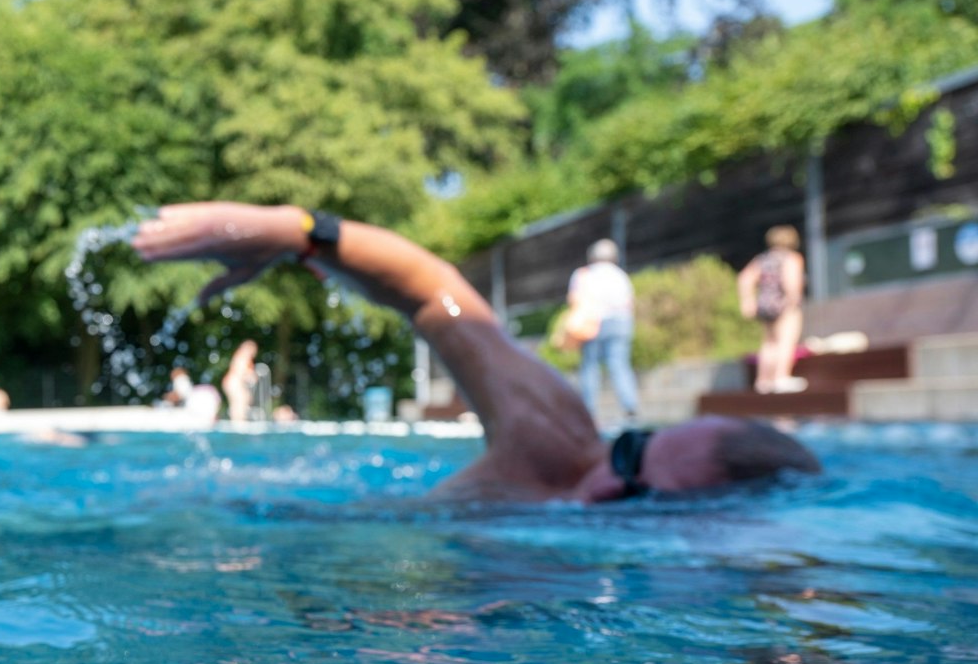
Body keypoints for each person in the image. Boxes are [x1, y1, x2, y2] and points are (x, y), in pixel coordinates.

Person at [132, 203, 820, 501]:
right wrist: (299, 229)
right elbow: (437, 294)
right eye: (629, 449)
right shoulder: (556, 437)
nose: (609, 480)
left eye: (636, 498)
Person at [567, 239, 639, 424]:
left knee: (590, 366)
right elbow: (629, 303)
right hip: (621, 322)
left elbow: (574, 299)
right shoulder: (620, 276)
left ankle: (589, 412)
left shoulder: (584, 275)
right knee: (619, 364)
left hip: (594, 323)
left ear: (592, 256)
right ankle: (630, 407)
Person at [739, 226, 808, 394]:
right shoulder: (791, 258)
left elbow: (744, 278)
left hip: (765, 304)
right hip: (783, 304)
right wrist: (792, 301)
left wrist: (747, 300)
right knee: (786, 340)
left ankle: (763, 381)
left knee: (769, 343)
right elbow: (791, 282)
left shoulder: (762, 259)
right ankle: (781, 377)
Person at [221, 340, 259, 423]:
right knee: (240, 402)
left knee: (242, 401)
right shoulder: (243, 356)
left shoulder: (241, 356)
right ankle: (238, 423)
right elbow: (240, 371)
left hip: (233, 382)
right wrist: (250, 376)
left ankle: (238, 422)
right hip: (234, 382)